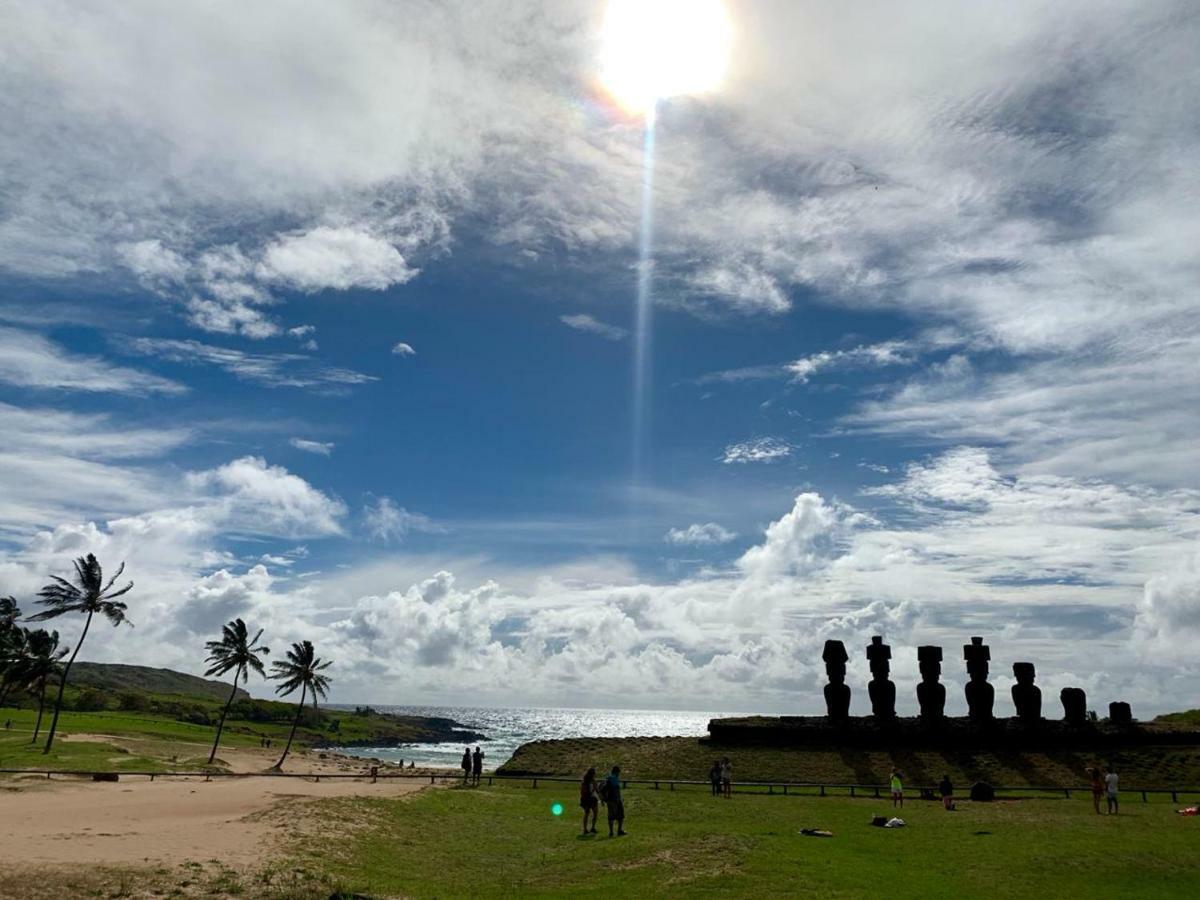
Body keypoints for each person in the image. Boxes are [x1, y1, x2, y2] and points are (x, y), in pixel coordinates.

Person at [603, 765, 626, 836]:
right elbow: (603, 790)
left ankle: (615, 831)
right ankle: (614, 832)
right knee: (614, 817)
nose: (619, 774)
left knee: (618, 816)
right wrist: (606, 799)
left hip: (617, 800)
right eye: (618, 772)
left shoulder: (614, 778)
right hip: (612, 800)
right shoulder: (610, 779)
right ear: (616, 772)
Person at [580, 767, 599, 835]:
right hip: (592, 799)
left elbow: (581, 791)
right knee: (595, 813)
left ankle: (585, 829)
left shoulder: (584, 781)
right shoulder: (593, 781)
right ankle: (592, 827)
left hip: (585, 799)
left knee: (586, 814)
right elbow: (597, 790)